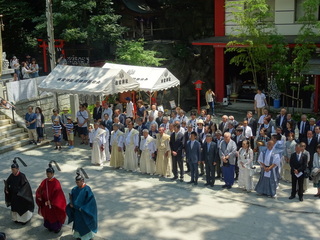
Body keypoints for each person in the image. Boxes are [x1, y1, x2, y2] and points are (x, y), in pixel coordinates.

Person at [66, 172, 98, 240]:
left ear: (82, 181)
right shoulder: (74, 189)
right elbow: (71, 197)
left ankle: (86, 237)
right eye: (76, 182)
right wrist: (70, 204)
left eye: (78, 182)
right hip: (77, 212)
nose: (77, 184)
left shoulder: (87, 189)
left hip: (84, 212)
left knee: (85, 225)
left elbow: (91, 202)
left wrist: (83, 208)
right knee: (77, 225)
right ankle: (78, 236)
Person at [36, 164, 66, 233]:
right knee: (48, 216)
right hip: (46, 202)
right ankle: (49, 226)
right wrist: (39, 196)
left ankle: (57, 228)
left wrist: (52, 202)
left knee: (55, 216)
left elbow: (58, 195)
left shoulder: (56, 183)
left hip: (54, 204)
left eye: (49, 174)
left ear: (52, 174)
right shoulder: (45, 181)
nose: (48, 175)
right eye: (47, 174)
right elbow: (40, 189)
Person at [5, 159, 34, 224]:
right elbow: (7, 183)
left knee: (22, 208)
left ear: (18, 169)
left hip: (21, 196)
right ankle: (16, 219)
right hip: (14, 196)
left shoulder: (22, 176)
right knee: (15, 208)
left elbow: (26, 187)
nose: (12, 171)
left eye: (14, 169)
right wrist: (7, 189)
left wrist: (19, 192)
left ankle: (24, 220)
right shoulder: (11, 175)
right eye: (12, 170)